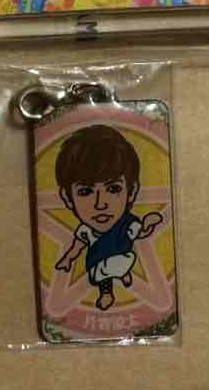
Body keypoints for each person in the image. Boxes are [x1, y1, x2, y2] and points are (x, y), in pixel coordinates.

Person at [53, 124, 162, 311]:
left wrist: (148, 224)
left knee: (121, 265)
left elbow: (140, 232)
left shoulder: (127, 223)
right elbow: (77, 246)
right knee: (103, 273)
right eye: (86, 191)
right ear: (67, 198)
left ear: (131, 191)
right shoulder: (86, 231)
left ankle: (123, 274)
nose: (100, 204)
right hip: (99, 260)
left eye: (113, 189)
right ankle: (106, 292)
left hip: (122, 256)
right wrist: (68, 258)